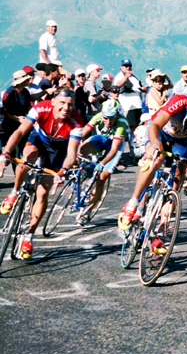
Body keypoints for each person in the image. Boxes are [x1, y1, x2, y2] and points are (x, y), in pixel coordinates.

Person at [117, 72, 187, 256]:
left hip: (180, 141)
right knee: (156, 159)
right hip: (159, 133)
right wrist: (154, 144)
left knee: (176, 184)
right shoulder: (181, 101)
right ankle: (133, 204)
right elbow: (155, 125)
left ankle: (160, 232)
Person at [0, 91, 83, 259]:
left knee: (43, 192)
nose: (65, 108)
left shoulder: (76, 122)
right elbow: (20, 131)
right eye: (62, 103)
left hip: (59, 151)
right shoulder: (41, 108)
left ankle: (29, 236)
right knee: (26, 160)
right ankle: (15, 193)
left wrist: (63, 171)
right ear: (53, 102)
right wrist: (6, 152)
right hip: (39, 139)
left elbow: (71, 153)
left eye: (69, 104)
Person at [76, 99, 129, 224]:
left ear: (117, 115)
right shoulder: (99, 116)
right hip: (104, 138)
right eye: (106, 118)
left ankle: (88, 212)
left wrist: (102, 163)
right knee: (82, 148)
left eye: (112, 118)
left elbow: (114, 149)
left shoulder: (121, 124)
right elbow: (83, 133)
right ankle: (81, 170)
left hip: (116, 144)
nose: (108, 121)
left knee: (102, 176)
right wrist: (77, 150)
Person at [1, 70, 33, 157]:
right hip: (10, 126)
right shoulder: (10, 92)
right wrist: (16, 118)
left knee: (24, 149)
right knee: (14, 152)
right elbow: (2, 111)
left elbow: (28, 107)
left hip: (23, 125)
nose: (29, 80)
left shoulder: (25, 92)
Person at [113, 58, 148, 133]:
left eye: (129, 66)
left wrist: (143, 88)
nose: (128, 67)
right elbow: (117, 86)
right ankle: (129, 143)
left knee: (138, 126)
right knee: (130, 128)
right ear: (121, 67)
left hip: (137, 106)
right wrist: (126, 77)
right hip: (128, 107)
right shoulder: (120, 76)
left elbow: (138, 87)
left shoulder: (134, 77)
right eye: (125, 66)